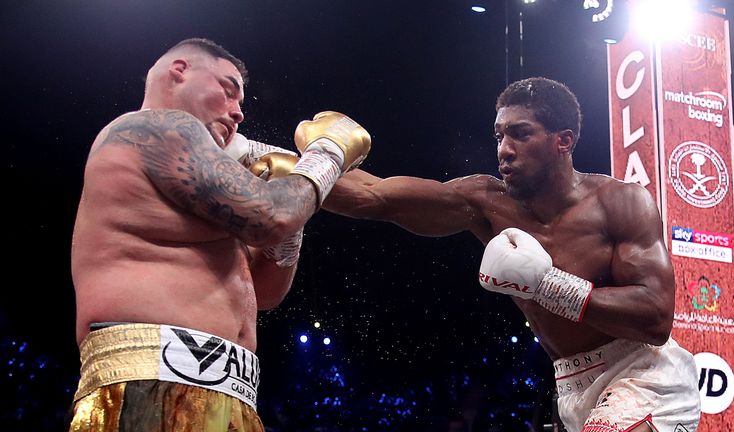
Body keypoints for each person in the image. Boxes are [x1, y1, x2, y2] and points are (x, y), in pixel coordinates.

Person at [324, 77, 701, 432]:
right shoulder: (485, 203)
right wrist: (297, 163)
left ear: (563, 141)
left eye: (521, 134)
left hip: (645, 374)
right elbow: (375, 197)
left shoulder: (620, 202)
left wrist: (548, 284)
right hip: (572, 385)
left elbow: (655, 318)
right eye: (499, 135)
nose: (504, 149)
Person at [69, 38, 371, 431]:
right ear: (179, 71)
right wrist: (328, 151)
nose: (238, 112)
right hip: (150, 382)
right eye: (228, 90)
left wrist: (289, 226)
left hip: (231, 394)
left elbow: (264, 293)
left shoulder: (204, 189)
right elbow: (273, 214)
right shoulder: (153, 128)